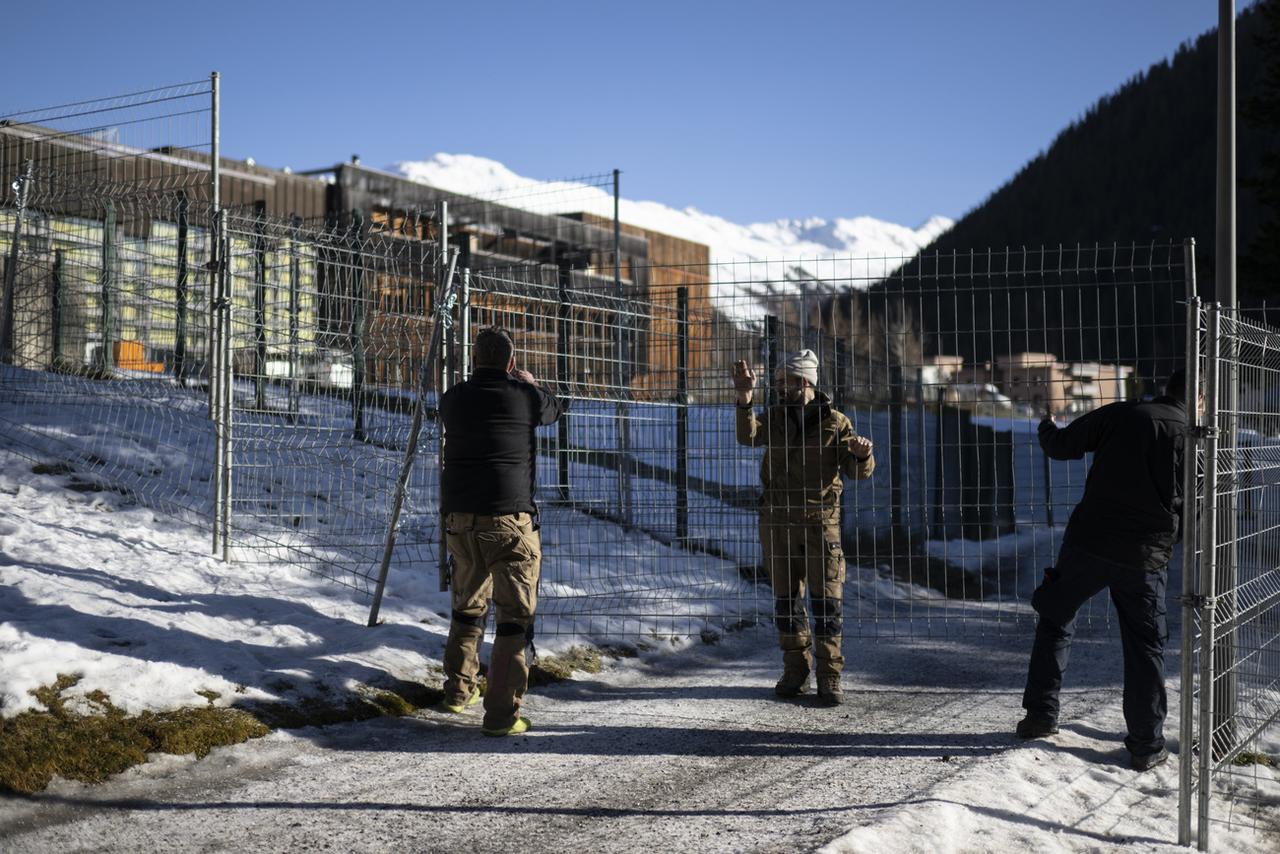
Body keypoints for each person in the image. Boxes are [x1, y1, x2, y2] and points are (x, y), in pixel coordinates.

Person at [1018, 369, 1187, 771]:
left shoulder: (1122, 413)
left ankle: (1041, 715)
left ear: (1165, 388)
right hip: (1145, 556)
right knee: (1145, 646)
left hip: (1089, 543)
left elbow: (1061, 447)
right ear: (1198, 399)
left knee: (1056, 617)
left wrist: (1046, 425)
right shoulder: (1196, 436)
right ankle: (1146, 746)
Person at [438, 326, 565, 736]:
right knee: (514, 618)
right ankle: (500, 714)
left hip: (460, 520)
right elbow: (555, 409)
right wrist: (531, 384)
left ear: (475, 360)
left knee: (467, 606)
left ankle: (458, 691)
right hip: (510, 521)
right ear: (511, 363)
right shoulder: (524, 396)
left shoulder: (453, 398)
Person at [733, 349, 875, 705]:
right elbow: (748, 437)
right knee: (786, 602)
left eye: (785, 381)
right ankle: (796, 671)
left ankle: (830, 677)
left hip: (819, 524)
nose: (779, 387)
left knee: (826, 603)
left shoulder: (835, 422)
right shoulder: (776, 417)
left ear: (805, 381)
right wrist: (744, 397)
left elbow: (857, 472)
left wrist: (862, 455)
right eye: (777, 381)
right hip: (778, 522)